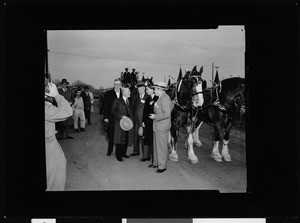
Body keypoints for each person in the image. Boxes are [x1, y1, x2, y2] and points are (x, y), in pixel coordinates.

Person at [45, 75, 73, 190]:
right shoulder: (46, 108)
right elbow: (67, 111)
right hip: (48, 143)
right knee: (55, 177)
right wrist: (56, 95)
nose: (50, 86)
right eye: (47, 84)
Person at [150, 81, 174, 173]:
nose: (154, 90)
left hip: (162, 126)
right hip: (158, 126)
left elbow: (167, 114)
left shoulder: (165, 98)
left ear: (160, 90)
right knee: (157, 146)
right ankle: (156, 163)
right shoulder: (160, 97)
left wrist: (155, 117)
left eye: (155, 89)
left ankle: (162, 166)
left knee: (161, 147)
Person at [111, 85, 134, 161]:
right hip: (120, 123)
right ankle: (118, 155)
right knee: (120, 139)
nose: (130, 92)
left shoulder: (129, 101)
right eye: (128, 91)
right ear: (124, 92)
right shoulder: (117, 101)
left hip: (128, 124)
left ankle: (124, 153)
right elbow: (113, 112)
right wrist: (121, 117)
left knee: (126, 139)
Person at [103, 78, 122, 156]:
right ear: (114, 85)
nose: (117, 86)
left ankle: (119, 152)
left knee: (120, 135)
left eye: (118, 84)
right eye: (115, 84)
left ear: (120, 85)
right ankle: (109, 150)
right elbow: (106, 106)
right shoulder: (108, 93)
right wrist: (106, 117)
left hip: (120, 118)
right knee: (111, 134)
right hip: (111, 117)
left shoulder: (123, 93)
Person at [142, 81, 158, 166]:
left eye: (147, 89)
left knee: (153, 141)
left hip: (154, 123)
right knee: (147, 139)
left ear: (152, 89)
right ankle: (146, 156)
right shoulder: (147, 99)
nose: (146, 91)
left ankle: (153, 159)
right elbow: (145, 111)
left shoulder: (157, 98)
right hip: (147, 123)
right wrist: (143, 121)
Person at [131, 81, 147, 159]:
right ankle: (136, 151)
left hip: (144, 121)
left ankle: (145, 154)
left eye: (141, 88)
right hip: (136, 120)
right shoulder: (135, 98)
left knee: (143, 137)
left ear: (144, 89)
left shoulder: (147, 97)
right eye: (139, 89)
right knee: (135, 135)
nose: (140, 90)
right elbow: (133, 109)